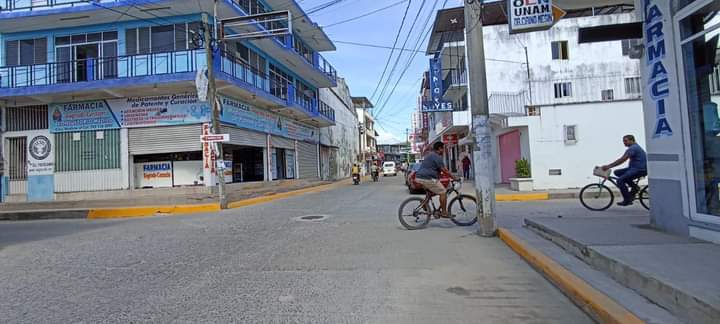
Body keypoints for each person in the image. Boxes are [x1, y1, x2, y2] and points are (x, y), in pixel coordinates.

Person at [415, 142, 458, 218]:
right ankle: (444, 212)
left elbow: (435, 169)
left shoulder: (430, 155)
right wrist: (454, 177)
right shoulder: (436, 157)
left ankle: (424, 203)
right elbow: (444, 170)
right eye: (443, 149)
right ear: (439, 149)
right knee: (443, 192)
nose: (444, 150)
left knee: (433, 192)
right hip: (427, 178)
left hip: (420, 177)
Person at [602, 135, 648, 206]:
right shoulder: (634, 147)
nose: (624, 143)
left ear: (632, 140)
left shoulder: (633, 148)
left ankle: (627, 200)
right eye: (623, 141)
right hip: (634, 168)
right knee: (617, 172)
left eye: (626, 141)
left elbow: (622, 159)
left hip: (639, 169)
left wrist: (609, 166)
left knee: (620, 180)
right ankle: (634, 187)